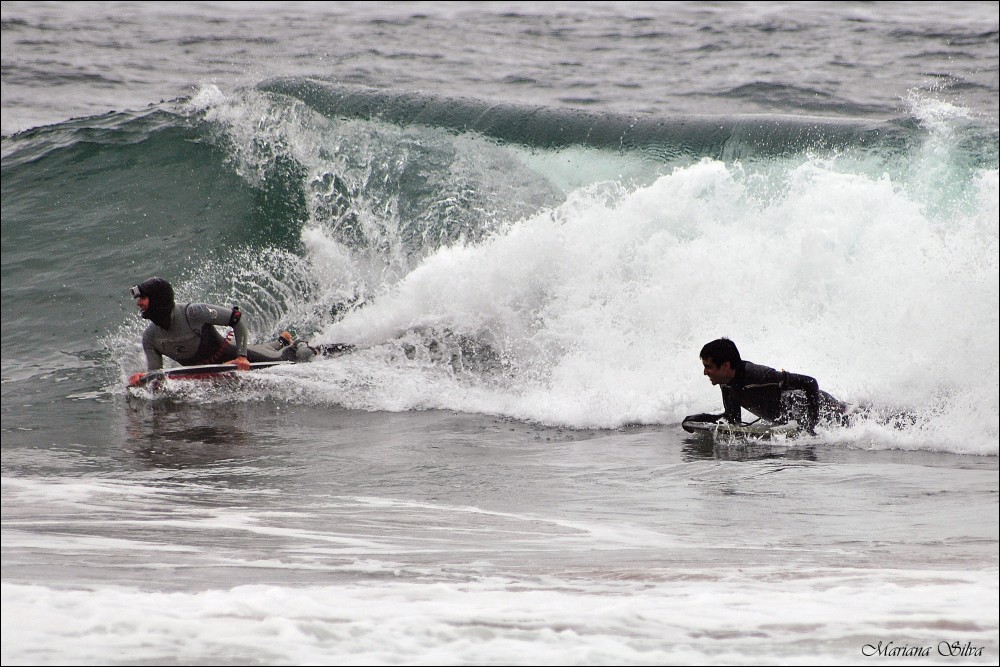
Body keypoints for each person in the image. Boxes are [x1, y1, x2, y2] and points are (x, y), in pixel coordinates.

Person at [130, 276, 315, 372]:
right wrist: (145, 380)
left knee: (287, 361)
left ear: (158, 299)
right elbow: (156, 376)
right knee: (263, 350)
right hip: (219, 362)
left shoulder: (193, 312)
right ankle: (280, 341)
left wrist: (242, 357)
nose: (139, 304)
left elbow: (237, 318)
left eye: (143, 298)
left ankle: (298, 344)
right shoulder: (150, 337)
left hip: (232, 355)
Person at [684, 337, 849, 435]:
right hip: (800, 418)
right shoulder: (727, 384)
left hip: (828, 409)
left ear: (726, 366)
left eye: (708, 366)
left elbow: (810, 382)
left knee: (858, 419)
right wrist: (699, 419)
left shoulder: (759, 375)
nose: (705, 372)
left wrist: (810, 428)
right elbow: (732, 420)